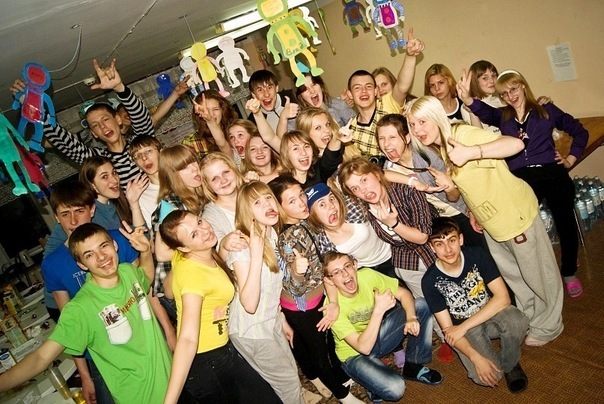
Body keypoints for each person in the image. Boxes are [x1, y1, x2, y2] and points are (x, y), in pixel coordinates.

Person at [406, 95, 564, 347]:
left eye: (422, 121)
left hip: (514, 214)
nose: (417, 130)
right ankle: (532, 318)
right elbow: (471, 183)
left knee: (538, 275)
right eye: (413, 125)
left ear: (436, 116)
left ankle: (550, 325)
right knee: (516, 277)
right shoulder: (439, 148)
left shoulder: (461, 134)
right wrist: (472, 209)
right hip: (490, 222)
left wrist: (472, 152)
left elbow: (514, 144)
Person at [0, 223, 172, 403]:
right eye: (89, 255)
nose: (101, 257)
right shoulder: (81, 308)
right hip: (142, 397)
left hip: (172, 380)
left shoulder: (128, 271)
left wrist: (145, 252)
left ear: (114, 245)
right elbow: (40, 358)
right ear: (82, 265)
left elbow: (146, 278)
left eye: (103, 246)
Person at [458, 68, 589, 298]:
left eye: (513, 89)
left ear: (523, 86)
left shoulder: (545, 110)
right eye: (504, 93)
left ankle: (569, 271)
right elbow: (483, 111)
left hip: (551, 172)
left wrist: (570, 159)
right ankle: (538, 276)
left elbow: (579, 132)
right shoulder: (503, 116)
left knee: (565, 223)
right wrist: (467, 98)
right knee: (526, 228)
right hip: (521, 177)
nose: (510, 96)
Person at [158, 211, 280, 403]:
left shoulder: (183, 257)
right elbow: (188, 339)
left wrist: (222, 247)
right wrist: (170, 401)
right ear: (182, 247)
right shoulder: (193, 276)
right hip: (208, 363)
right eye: (194, 234)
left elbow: (168, 291)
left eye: (199, 222)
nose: (204, 230)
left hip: (222, 353)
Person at [422, 218, 530, 393]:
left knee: (517, 321)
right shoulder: (430, 281)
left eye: (452, 240)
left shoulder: (477, 255)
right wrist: (475, 357)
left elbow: (503, 298)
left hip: (489, 314)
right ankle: (503, 361)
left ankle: (510, 364)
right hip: (467, 332)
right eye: (439, 244)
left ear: (461, 239)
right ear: (432, 248)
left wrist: (463, 327)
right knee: (485, 377)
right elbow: (449, 331)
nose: (448, 249)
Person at [11, 59, 154, 189]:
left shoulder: (140, 144)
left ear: (118, 119)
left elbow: (142, 118)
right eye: (95, 125)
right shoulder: (99, 160)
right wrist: (31, 104)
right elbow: (63, 141)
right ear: (93, 134)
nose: (102, 127)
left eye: (105, 119)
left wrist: (120, 88)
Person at [323, 251, 442, 402]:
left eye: (347, 266)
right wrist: (379, 311)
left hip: (379, 335)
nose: (345, 274)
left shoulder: (367, 275)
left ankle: (413, 365)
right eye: (336, 272)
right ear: (330, 280)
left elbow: (403, 294)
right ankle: (370, 382)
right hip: (355, 354)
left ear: (355, 265)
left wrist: (411, 317)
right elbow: (363, 348)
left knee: (421, 305)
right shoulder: (331, 309)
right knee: (396, 389)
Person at [226, 181, 305, 403]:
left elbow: (272, 288)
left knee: (290, 375)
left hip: (270, 322)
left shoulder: (272, 234)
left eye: (268, 197)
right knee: (288, 383)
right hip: (251, 330)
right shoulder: (243, 245)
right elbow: (249, 304)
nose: (267, 204)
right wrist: (255, 253)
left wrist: (281, 319)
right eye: (257, 202)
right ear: (247, 211)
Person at [376, 113, 486, 248]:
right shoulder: (389, 166)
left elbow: (455, 196)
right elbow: (378, 174)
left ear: (407, 137)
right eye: (381, 138)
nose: (386, 144)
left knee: (478, 253)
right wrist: (413, 182)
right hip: (435, 221)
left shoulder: (428, 156)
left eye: (392, 137)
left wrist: (452, 190)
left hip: (458, 211)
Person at [339, 157, 436, 298]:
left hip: (435, 250)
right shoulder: (362, 207)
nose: (363, 190)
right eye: (355, 188)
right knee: (428, 303)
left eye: (364, 180)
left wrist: (393, 224)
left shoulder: (407, 193)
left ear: (377, 176)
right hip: (407, 263)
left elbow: (422, 237)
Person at [346, 28, 423, 157]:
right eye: (357, 88)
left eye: (368, 86)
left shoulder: (387, 103)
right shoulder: (351, 129)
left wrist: (410, 56)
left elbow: (402, 86)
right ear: (350, 94)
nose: (364, 91)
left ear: (376, 91)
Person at [151, 145, 205, 318]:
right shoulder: (171, 204)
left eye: (193, 161)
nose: (194, 168)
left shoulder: (198, 194)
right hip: (175, 288)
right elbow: (162, 254)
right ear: (172, 175)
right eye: (184, 167)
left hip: (191, 280)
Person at [305, 182, 396, 279]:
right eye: (322, 204)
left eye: (332, 199)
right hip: (366, 271)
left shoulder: (352, 207)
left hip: (394, 252)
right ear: (313, 215)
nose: (331, 206)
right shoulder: (324, 243)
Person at [199, 152, 246, 259]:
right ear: (208, 186)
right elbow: (219, 259)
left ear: (234, 170)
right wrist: (224, 246)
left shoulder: (252, 193)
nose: (223, 180)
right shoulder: (210, 217)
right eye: (214, 178)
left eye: (226, 172)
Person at [188, 90, 240, 163]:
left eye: (215, 109)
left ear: (223, 110)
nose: (211, 114)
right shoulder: (192, 141)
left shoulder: (236, 130)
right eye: (206, 110)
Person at [296, 107, 361, 161]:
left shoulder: (346, 149)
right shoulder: (308, 164)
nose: (327, 130)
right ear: (306, 134)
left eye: (327, 124)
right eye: (318, 128)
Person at [128, 135, 163, 228]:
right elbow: (147, 231)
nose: (144, 158)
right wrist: (133, 203)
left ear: (161, 152)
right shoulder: (142, 196)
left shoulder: (180, 175)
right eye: (138, 156)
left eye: (148, 151)